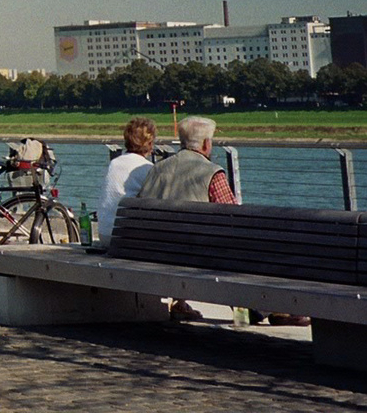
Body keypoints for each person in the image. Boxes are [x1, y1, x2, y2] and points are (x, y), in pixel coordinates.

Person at [135, 116, 308, 327]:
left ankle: (183, 303)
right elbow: (235, 221)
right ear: (207, 144)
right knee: (251, 245)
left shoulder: (156, 170)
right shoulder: (211, 172)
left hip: (155, 253)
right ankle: (271, 307)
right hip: (197, 257)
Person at [95, 116, 155, 242]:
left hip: (104, 233)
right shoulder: (147, 168)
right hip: (124, 237)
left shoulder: (114, 163)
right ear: (149, 144)